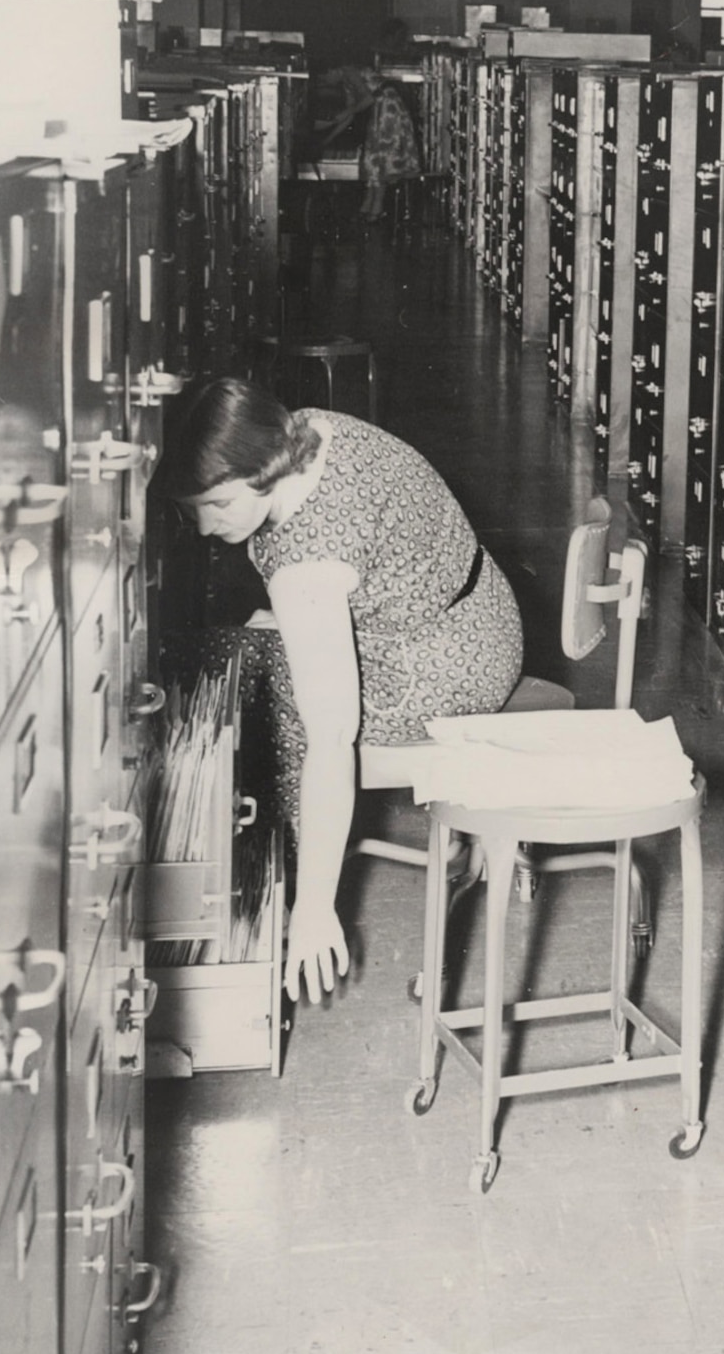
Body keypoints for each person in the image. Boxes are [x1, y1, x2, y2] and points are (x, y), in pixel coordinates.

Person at [158, 379, 523, 1004]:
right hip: (478, 611)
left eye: (215, 504)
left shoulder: (307, 562)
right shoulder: (305, 429)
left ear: (258, 470)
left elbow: (332, 741)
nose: (200, 525)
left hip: (444, 667)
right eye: (191, 507)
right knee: (258, 641)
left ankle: (279, 898)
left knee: (270, 710)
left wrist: (317, 910)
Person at [314, 65, 422, 224]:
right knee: (372, 157)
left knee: (380, 156)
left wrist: (339, 118)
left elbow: (365, 101)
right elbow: (350, 113)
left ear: (333, 70)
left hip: (387, 105)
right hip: (380, 108)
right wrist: (329, 137)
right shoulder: (347, 84)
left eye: (325, 78)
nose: (326, 83)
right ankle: (369, 204)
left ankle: (376, 206)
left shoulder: (349, 71)